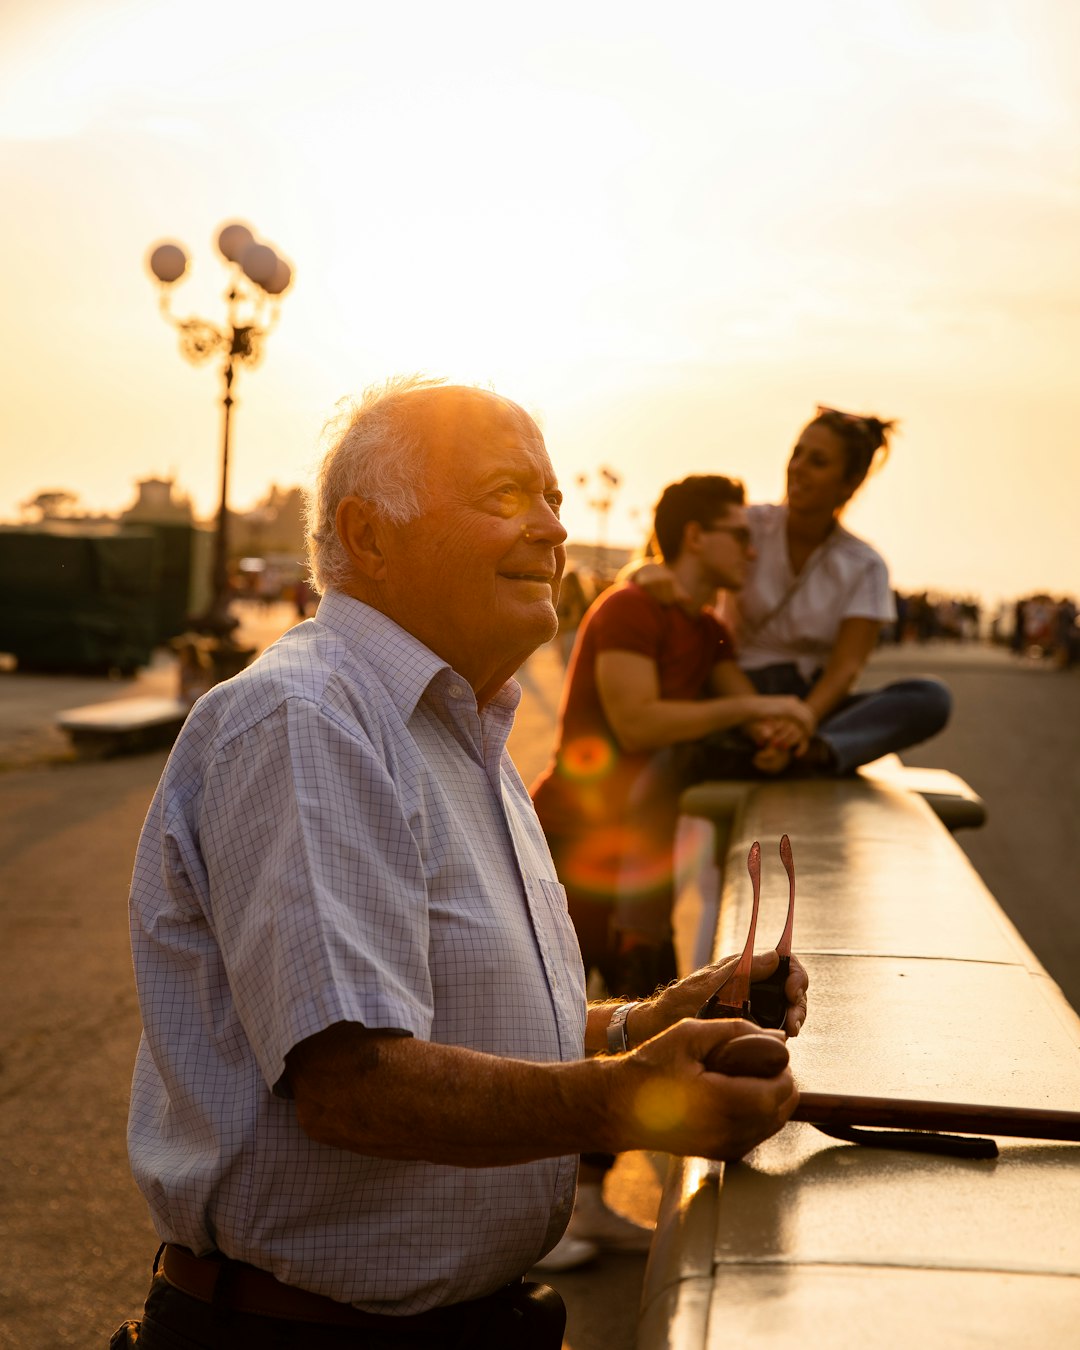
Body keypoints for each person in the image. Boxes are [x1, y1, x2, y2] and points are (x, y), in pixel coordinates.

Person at [116, 378, 807, 1350]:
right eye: (504, 498)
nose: (552, 531)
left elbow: (484, 1028)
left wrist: (655, 1021)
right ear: (369, 536)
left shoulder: (458, 733)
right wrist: (633, 1098)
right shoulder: (309, 720)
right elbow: (355, 1083)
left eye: (556, 500)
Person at [529, 474, 812, 1265]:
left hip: (639, 854)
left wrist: (776, 720)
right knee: (547, 1012)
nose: (754, 549)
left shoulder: (701, 623)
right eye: (739, 534)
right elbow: (638, 718)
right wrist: (747, 712)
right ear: (695, 537)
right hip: (573, 839)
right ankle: (524, 1212)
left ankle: (582, 1203)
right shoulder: (628, 608)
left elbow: (742, 701)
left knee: (631, 1005)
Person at [634, 407, 951, 776]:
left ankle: (811, 749)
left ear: (849, 484)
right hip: (730, 684)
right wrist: (645, 570)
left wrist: (803, 720)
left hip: (811, 700)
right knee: (686, 723)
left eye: (817, 461)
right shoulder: (747, 524)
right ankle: (781, 750)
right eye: (796, 453)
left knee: (931, 699)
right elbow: (673, 557)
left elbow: (845, 667)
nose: (798, 467)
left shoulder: (865, 564)